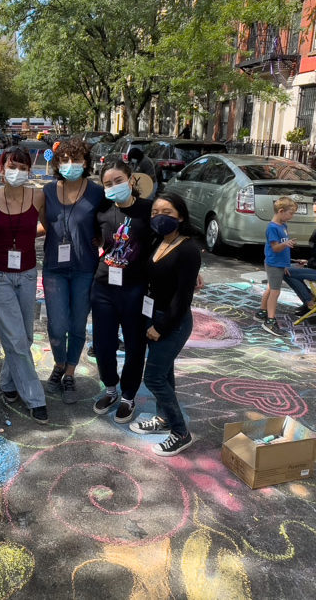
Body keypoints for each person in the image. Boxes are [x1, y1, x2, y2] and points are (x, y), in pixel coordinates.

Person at [129, 193, 203, 456]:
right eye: (155, 212)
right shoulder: (158, 241)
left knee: (154, 377)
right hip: (154, 314)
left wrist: (161, 327)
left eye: (168, 212)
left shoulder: (189, 249)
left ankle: (181, 432)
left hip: (173, 322)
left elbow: (183, 298)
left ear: (180, 216)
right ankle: (163, 419)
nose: (160, 217)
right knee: (165, 371)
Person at [0, 148, 48, 423]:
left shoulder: (37, 195)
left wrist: (24, 238)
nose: (17, 171)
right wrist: (1, 242)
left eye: (23, 167)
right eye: (13, 165)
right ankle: (35, 398)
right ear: (2, 167)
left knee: (25, 337)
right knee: (16, 338)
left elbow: (46, 225)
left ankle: (8, 384)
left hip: (28, 271)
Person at [91, 159, 153, 425]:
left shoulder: (149, 210)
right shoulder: (102, 209)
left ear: (130, 180)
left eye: (118, 181)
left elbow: (168, 242)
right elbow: (96, 240)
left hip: (135, 288)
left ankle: (128, 395)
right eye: (107, 183)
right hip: (103, 286)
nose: (114, 186)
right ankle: (111, 389)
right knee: (103, 344)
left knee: (135, 345)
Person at [41, 137, 103, 404]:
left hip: (84, 269)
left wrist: (102, 241)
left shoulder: (97, 192)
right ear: (57, 162)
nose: (70, 164)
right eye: (64, 159)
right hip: (54, 268)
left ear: (85, 162)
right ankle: (58, 363)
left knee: (77, 324)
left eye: (75, 159)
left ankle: (69, 373)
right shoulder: (45, 192)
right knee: (57, 325)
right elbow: (43, 224)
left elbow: (112, 224)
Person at [260, 196, 298, 336]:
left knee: (271, 288)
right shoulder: (272, 228)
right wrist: (285, 244)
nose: (291, 216)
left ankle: (262, 312)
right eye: (290, 213)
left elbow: (283, 249)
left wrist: (285, 264)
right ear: (281, 211)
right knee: (275, 292)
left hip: (279, 264)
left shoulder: (283, 225)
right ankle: (270, 321)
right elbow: (275, 248)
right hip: (274, 263)